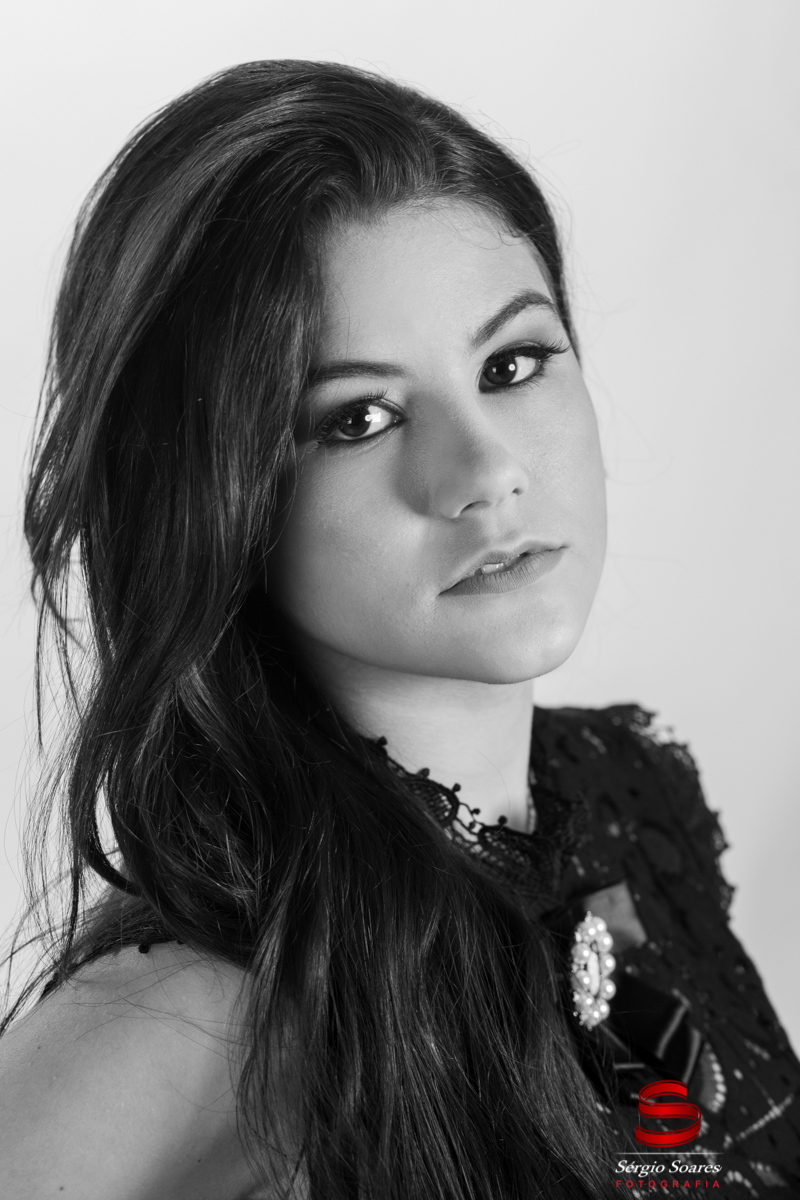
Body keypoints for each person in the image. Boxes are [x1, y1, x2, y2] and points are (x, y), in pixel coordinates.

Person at [0, 60, 797, 1199]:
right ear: (213, 501)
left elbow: (676, 1155)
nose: (484, 473)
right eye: (359, 418)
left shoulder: (620, 816)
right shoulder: (200, 1015)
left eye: (511, 364)